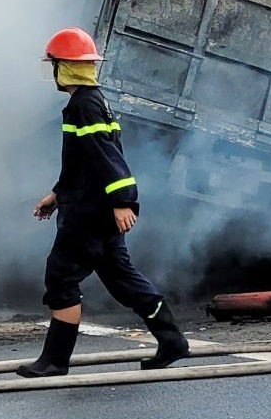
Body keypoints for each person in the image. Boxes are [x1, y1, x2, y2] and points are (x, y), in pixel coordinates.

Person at [18, 27, 188, 378]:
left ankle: (55, 360)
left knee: (61, 276)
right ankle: (172, 341)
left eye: (54, 65)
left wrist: (124, 201)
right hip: (89, 207)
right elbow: (81, 163)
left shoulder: (84, 105)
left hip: (89, 215)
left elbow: (108, 156)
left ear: (64, 67)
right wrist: (57, 194)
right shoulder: (90, 101)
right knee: (122, 279)